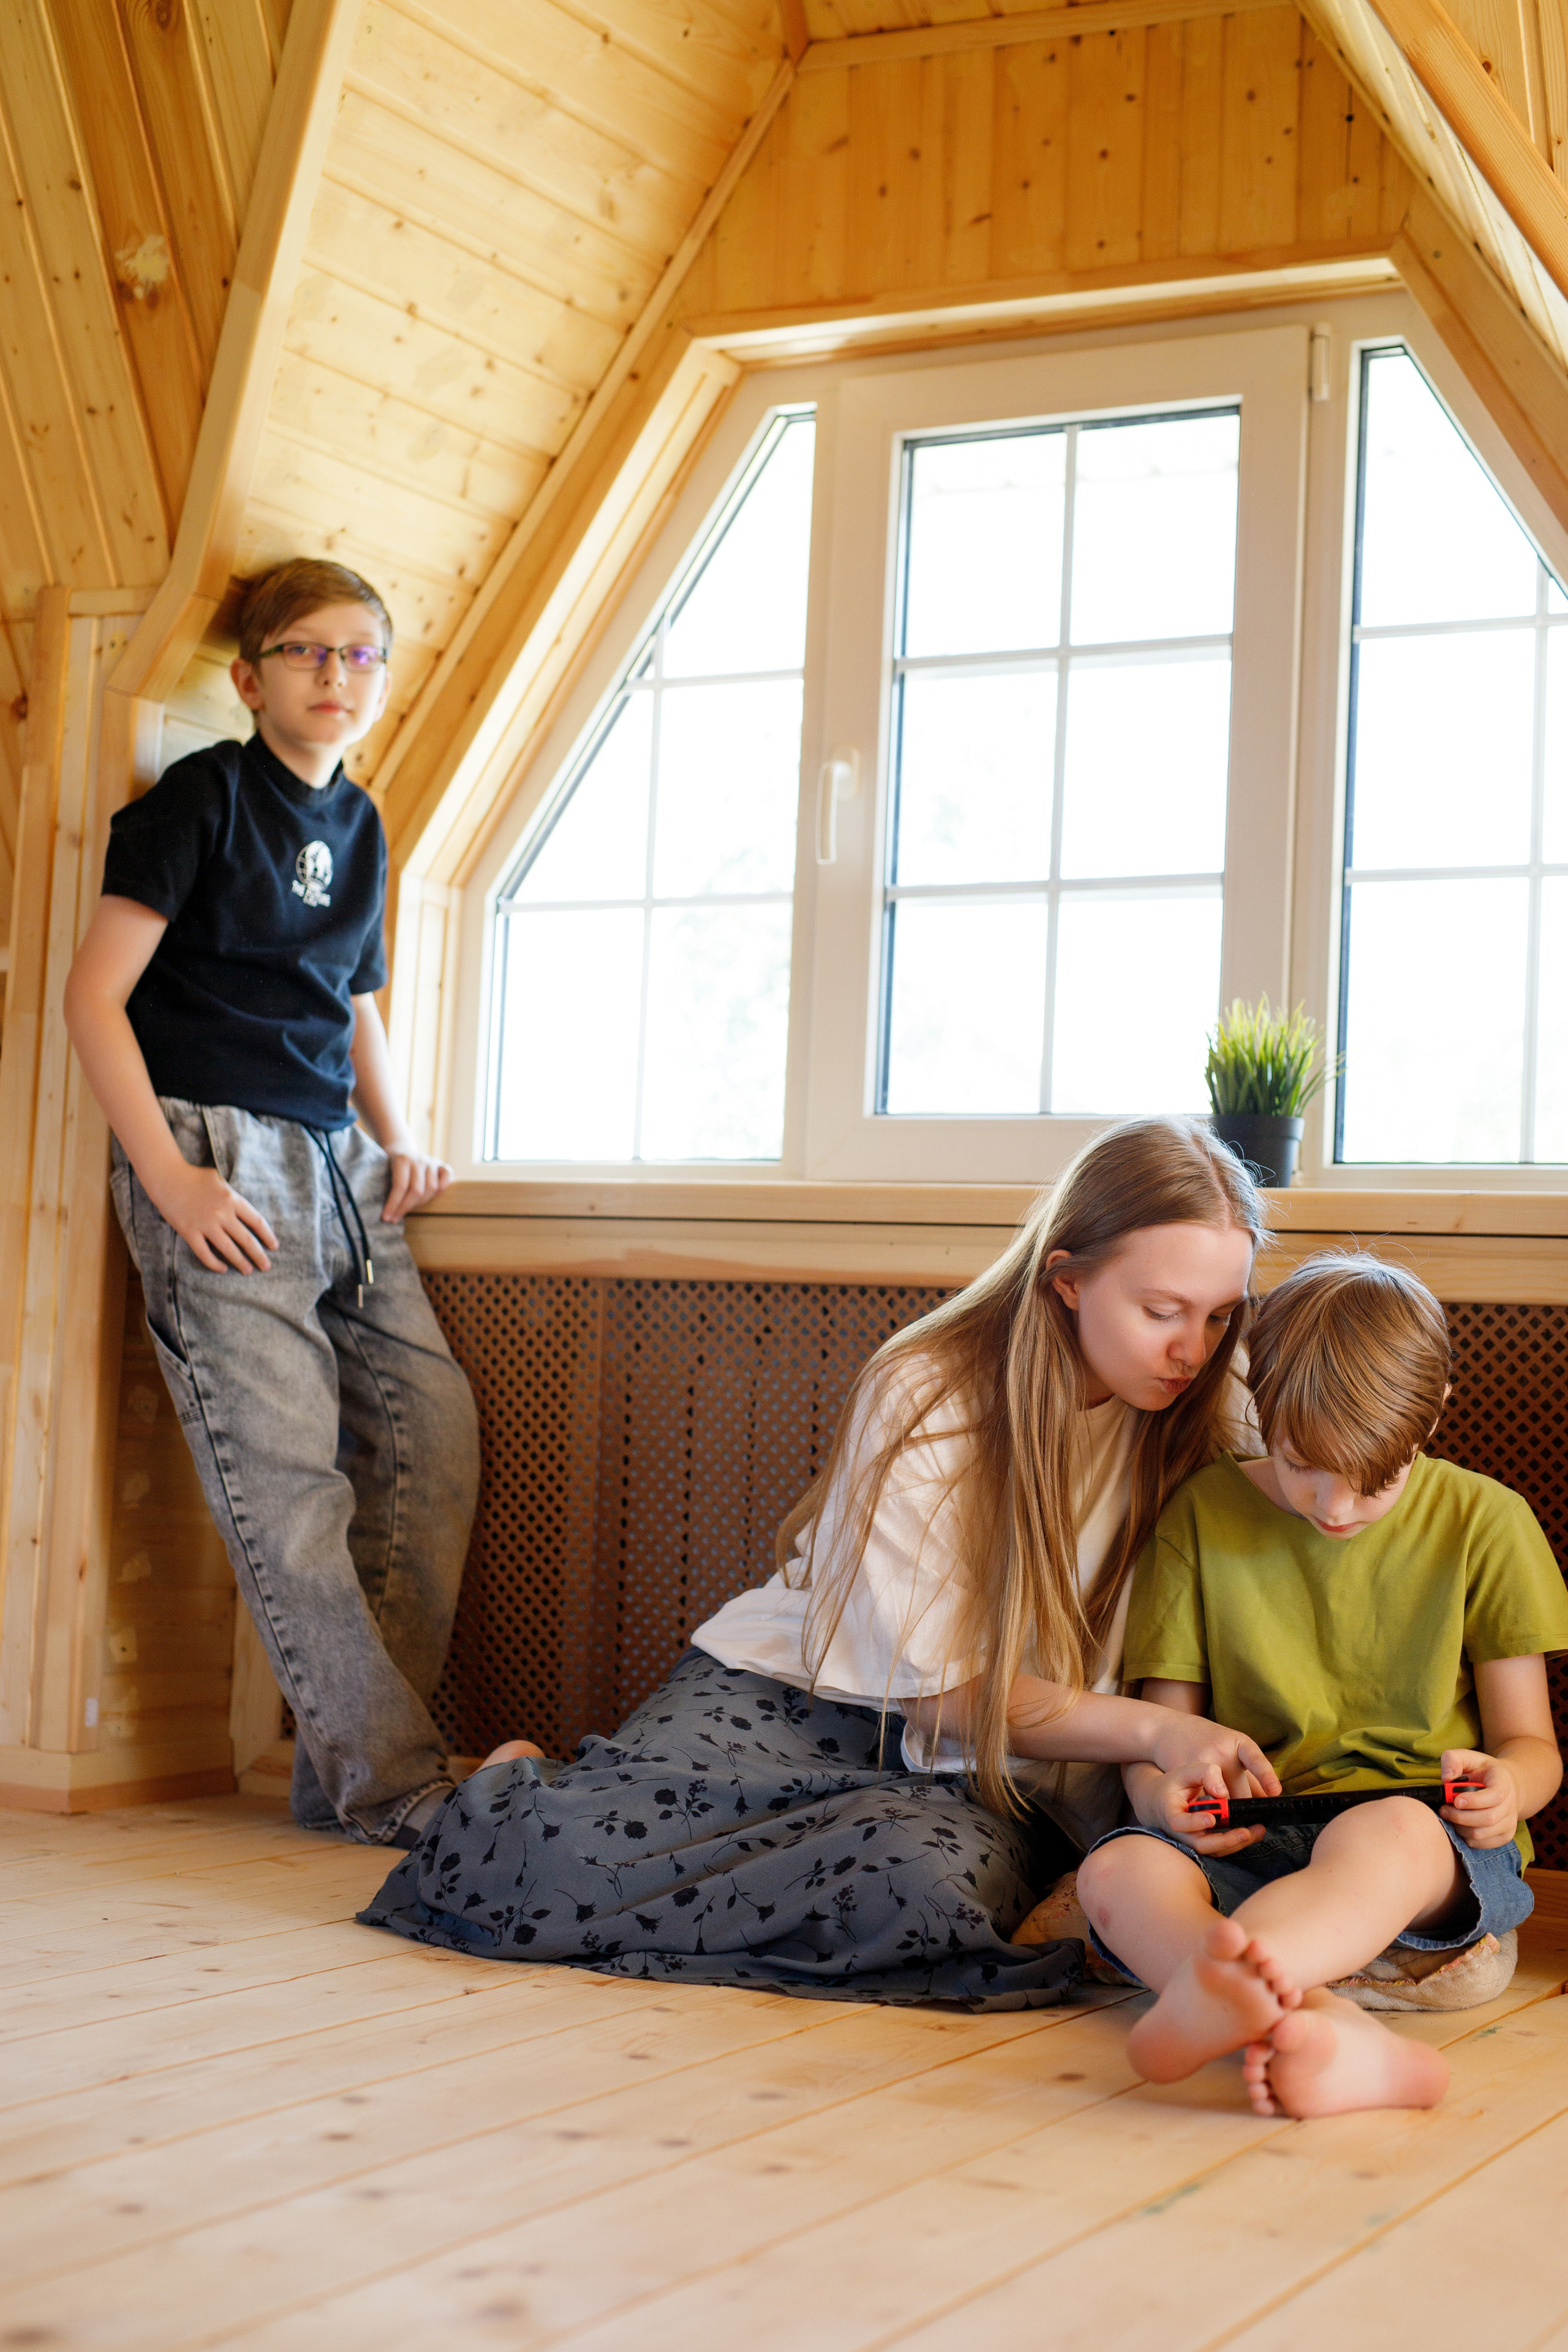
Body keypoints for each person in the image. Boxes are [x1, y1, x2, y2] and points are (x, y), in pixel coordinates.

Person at [360, 1116, 1282, 2004]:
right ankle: (526, 1803)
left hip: (997, 1763)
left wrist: (1167, 1768)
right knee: (558, 1865)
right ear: (1067, 1280)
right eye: (1162, 1311)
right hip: (801, 1699)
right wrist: (1155, 1736)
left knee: (922, 1895)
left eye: (1218, 1318)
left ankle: (568, 1808)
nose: (1191, 1351)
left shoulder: (1213, 1406)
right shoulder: (929, 1390)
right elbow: (941, 1689)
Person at [63, 558, 479, 1849]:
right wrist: (171, 1176)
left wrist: (400, 1141)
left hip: (342, 1163)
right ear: (249, 678)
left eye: (362, 655)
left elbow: (358, 1007)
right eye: (308, 652)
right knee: (289, 1479)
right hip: (216, 1153)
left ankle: (349, 1767)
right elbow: (92, 1000)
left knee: (434, 1433)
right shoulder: (200, 803)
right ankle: (396, 1785)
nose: (337, 676)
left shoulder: (363, 822)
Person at [1075, 1251, 1568, 2116]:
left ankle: (1218, 1986)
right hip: (1254, 1842)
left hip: (1419, 1847)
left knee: (1386, 1834)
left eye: (1375, 1480)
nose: (1335, 1507)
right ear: (1260, 1408)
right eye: (1302, 1465)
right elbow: (1160, 1739)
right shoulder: (1203, 1513)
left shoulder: (1486, 1522)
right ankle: (1342, 2036)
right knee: (1115, 1870)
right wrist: (1163, 1800)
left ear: (1431, 1419)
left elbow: (1532, 1746)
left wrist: (1510, 1788)